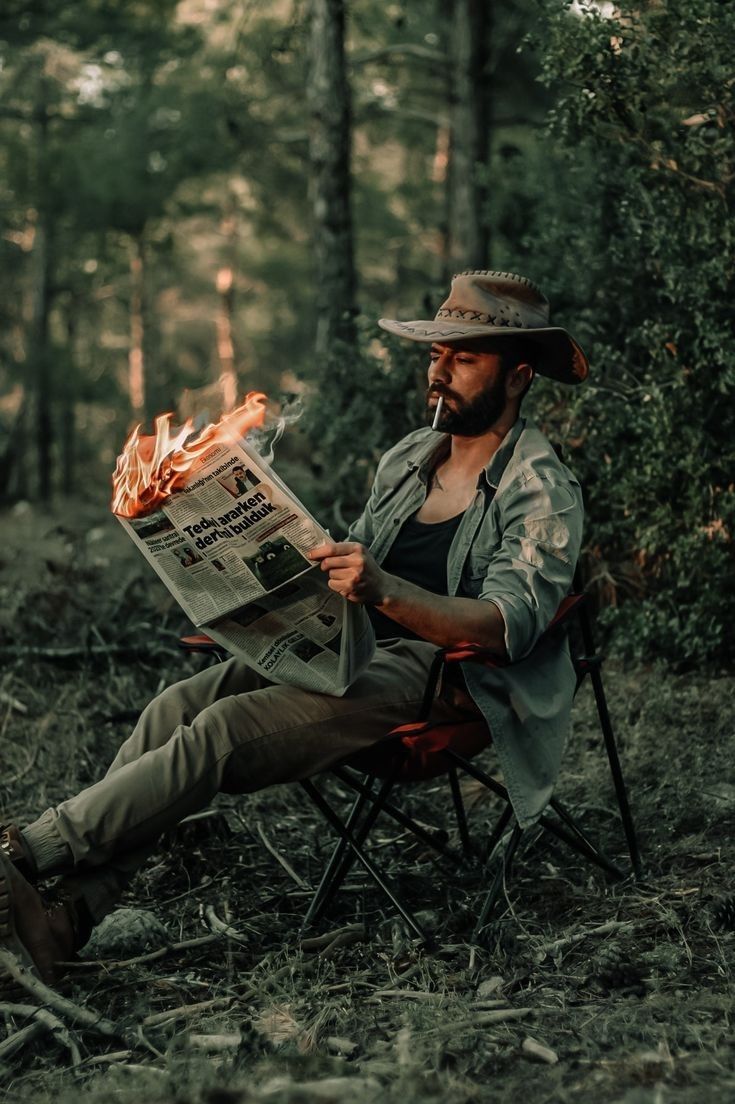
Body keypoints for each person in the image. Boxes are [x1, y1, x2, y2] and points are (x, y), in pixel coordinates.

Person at [0, 271, 587, 983]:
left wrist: (383, 588)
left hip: (448, 680)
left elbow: (504, 626)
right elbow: (356, 559)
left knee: (222, 731)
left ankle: (26, 854)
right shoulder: (409, 458)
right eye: (434, 356)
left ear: (518, 375)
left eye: (462, 359)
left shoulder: (539, 486)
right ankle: (69, 915)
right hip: (352, 646)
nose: (438, 373)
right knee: (174, 707)